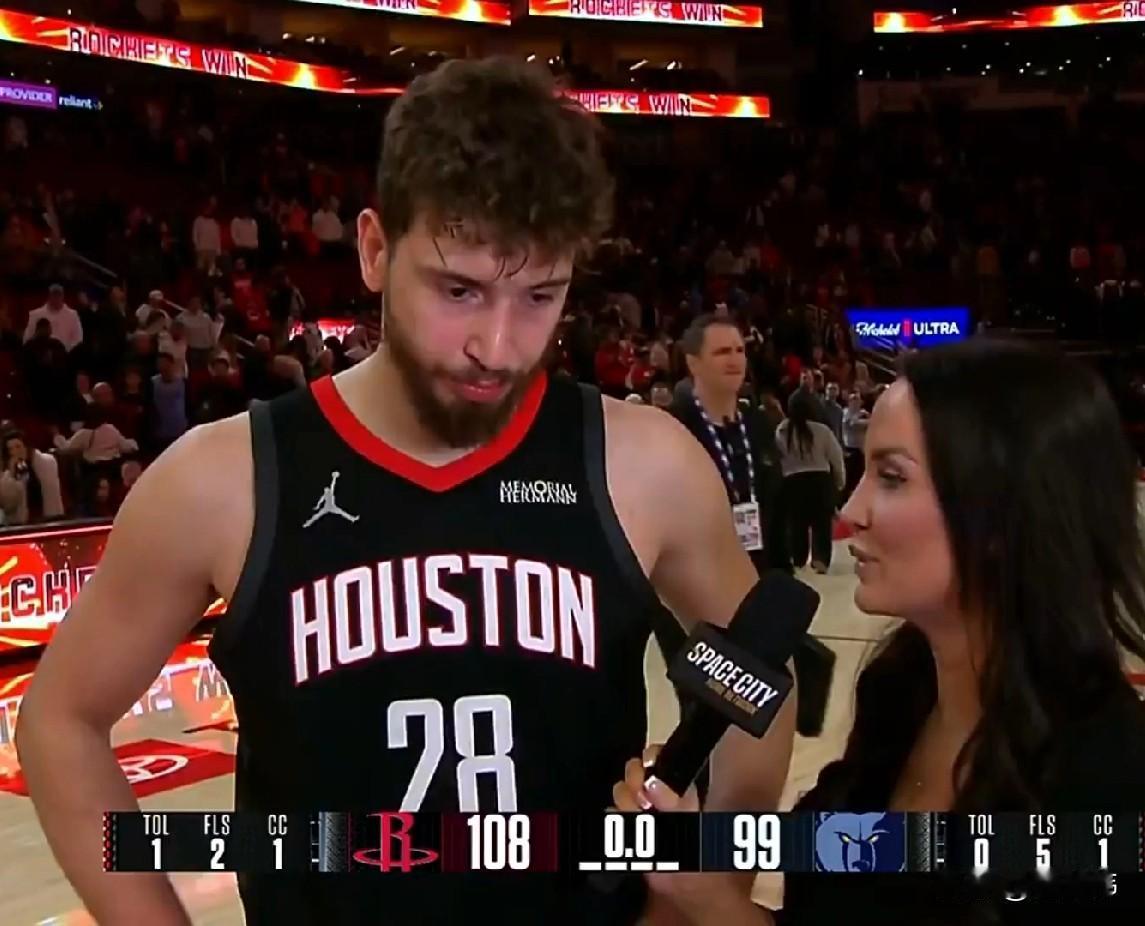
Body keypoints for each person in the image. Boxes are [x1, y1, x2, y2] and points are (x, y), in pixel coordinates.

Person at [16, 58, 798, 926]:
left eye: (540, 295)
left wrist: (704, 890)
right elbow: (60, 721)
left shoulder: (643, 463)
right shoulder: (224, 478)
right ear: (374, 249)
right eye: (459, 290)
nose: (496, 345)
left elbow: (761, 677)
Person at [615, 339, 1145, 922]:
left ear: (1002, 513)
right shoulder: (898, 697)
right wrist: (700, 887)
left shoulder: (1106, 778)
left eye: (892, 477)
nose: (851, 509)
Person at [776, 391, 845, 573]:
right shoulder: (822, 430)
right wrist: (839, 482)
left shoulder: (782, 431)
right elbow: (836, 457)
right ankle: (820, 560)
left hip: (793, 481)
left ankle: (798, 559)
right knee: (821, 524)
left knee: (797, 524)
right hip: (820, 480)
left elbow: (778, 459)